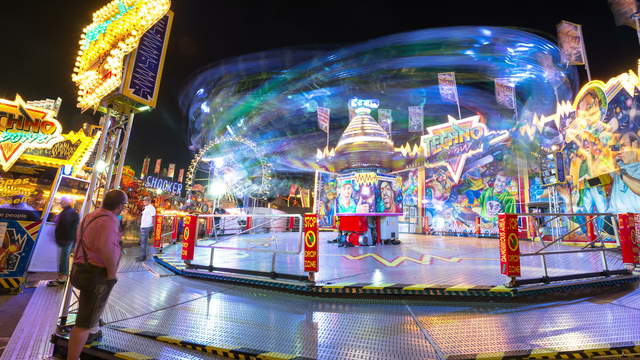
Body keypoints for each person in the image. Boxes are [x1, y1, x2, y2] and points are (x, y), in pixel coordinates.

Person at [67, 190, 127, 360]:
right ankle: (73, 357)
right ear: (120, 205)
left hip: (80, 269)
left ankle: (93, 330)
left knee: (89, 314)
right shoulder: (109, 221)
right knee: (83, 323)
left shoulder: (91, 216)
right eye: (124, 205)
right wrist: (111, 273)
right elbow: (105, 248)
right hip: (95, 274)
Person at [47, 197, 79, 287]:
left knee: (63, 258)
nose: (61, 203)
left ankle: (62, 278)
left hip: (66, 238)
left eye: (62, 202)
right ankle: (63, 277)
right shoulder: (69, 212)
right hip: (67, 238)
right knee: (64, 257)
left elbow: (65, 224)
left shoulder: (68, 212)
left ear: (67, 203)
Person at [137, 197, 156, 261]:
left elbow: (153, 218)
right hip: (143, 226)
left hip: (146, 227)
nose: (143, 202)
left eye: (144, 201)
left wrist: (153, 228)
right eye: (143, 200)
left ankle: (142, 257)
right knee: (142, 242)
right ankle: (142, 255)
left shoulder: (151, 208)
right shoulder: (146, 207)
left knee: (143, 242)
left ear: (148, 201)